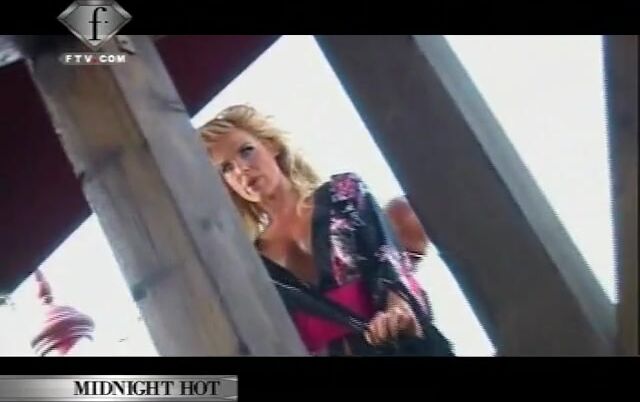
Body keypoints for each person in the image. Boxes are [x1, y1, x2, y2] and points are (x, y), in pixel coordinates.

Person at [198, 105, 453, 356]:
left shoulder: (342, 193)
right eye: (226, 168)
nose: (242, 169)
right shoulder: (253, 262)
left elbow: (387, 258)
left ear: (271, 146)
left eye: (246, 151)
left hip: (406, 346)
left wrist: (398, 308)